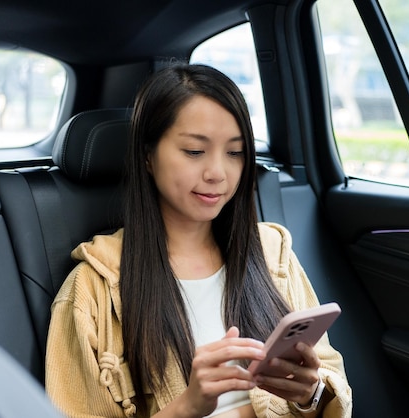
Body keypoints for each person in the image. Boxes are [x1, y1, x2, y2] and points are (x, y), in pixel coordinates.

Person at [45, 64, 352, 418]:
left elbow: (331, 379)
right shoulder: (93, 292)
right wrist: (186, 408)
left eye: (235, 152)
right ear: (147, 155)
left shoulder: (273, 255)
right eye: (194, 151)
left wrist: (310, 395)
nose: (217, 173)